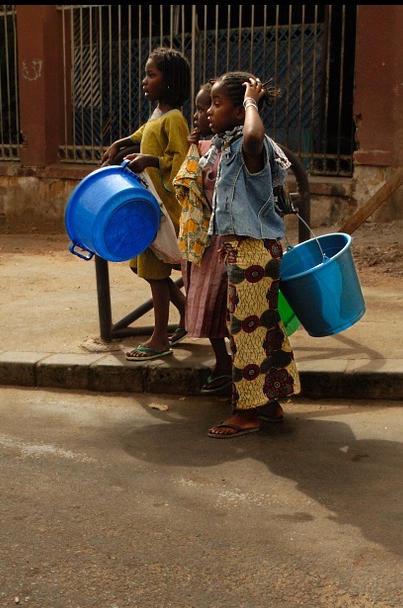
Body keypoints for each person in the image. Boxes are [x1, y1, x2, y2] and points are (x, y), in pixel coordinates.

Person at [202, 71, 301, 438]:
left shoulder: (252, 145)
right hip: (246, 250)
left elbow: (254, 134)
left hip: (253, 252)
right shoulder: (227, 145)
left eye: (217, 103)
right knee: (262, 329)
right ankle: (270, 403)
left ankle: (247, 413)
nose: (210, 111)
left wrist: (249, 101)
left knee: (244, 333)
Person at [100, 46, 190, 362]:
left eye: (151, 75)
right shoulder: (159, 115)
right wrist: (121, 142)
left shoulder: (176, 119)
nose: (144, 81)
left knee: (155, 271)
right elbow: (143, 132)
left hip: (163, 211)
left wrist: (150, 160)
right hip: (150, 205)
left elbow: (181, 161)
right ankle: (187, 313)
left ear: (169, 82)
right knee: (154, 269)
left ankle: (159, 337)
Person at [172, 80, 233, 394]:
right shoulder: (203, 148)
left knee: (224, 307)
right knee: (206, 307)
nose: (200, 114)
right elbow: (187, 186)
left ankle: (232, 365)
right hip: (200, 244)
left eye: (207, 106)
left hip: (222, 242)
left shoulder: (231, 150)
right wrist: (192, 149)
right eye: (197, 108)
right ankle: (222, 362)